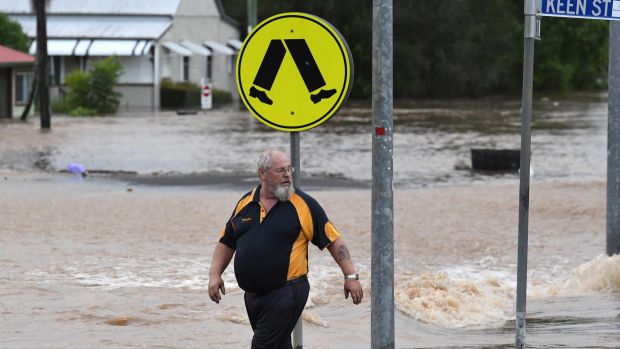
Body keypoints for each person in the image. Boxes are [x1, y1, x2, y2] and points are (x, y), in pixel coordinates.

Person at [208, 149, 363, 349]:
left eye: (290, 169)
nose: (288, 175)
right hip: (253, 296)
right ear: (262, 173)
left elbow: (334, 240)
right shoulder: (245, 203)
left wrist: (351, 277)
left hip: (287, 292)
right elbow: (226, 241)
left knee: (262, 345)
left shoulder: (304, 204)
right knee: (279, 345)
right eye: (280, 170)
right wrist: (215, 274)